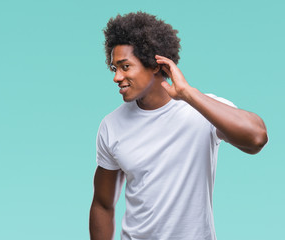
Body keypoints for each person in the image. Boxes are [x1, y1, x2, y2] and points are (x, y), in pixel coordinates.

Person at [89, 12, 268, 240]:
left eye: (125, 66)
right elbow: (103, 204)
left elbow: (256, 138)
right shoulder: (111, 125)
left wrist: (187, 94)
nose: (116, 77)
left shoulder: (202, 110)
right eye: (115, 69)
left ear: (155, 65)